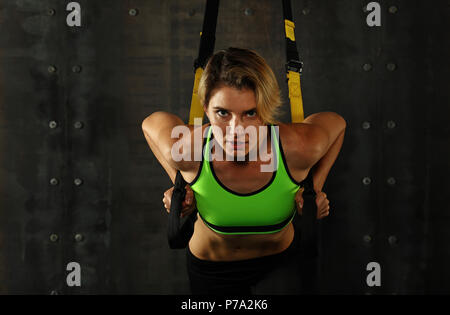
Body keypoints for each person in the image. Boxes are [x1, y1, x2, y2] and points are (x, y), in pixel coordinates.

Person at [142, 47, 346, 294]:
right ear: (206, 108)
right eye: (222, 113)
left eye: (250, 113)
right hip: (211, 269)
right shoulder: (186, 150)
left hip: (280, 263)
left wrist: (313, 190)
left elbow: (337, 124)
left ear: (267, 109)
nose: (236, 130)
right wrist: (181, 185)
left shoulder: (299, 147)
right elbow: (150, 124)